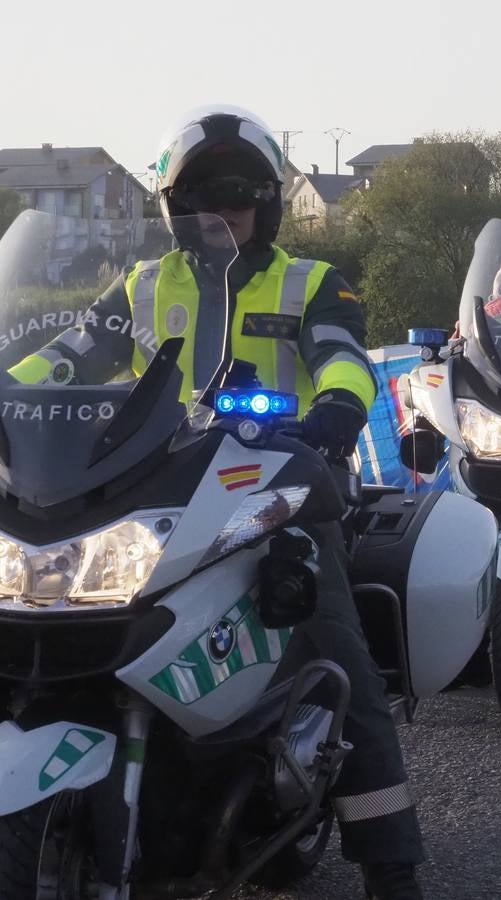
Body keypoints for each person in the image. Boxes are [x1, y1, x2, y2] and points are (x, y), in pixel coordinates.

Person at [8, 107, 425, 900]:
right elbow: (57, 365)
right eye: (202, 192)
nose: (221, 207)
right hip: (161, 492)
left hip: (282, 492)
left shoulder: (311, 281)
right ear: (173, 204)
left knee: (334, 649)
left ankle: (390, 858)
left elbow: (344, 361)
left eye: (239, 192)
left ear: (267, 202)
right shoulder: (140, 285)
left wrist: (334, 413)